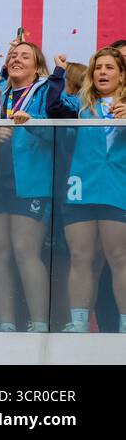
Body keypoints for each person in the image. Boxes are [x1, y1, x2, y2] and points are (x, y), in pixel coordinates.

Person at [44, 47, 126, 333]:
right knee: (81, 256)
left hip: (118, 187)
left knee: (119, 258)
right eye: (98, 68)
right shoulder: (81, 103)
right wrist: (58, 74)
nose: (102, 72)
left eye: (110, 67)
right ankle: (78, 322)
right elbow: (52, 107)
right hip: (82, 186)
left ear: (122, 75)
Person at [0, 38, 62, 333]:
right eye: (13, 55)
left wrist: (31, 121)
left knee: (24, 250)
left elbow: (60, 130)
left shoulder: (45, 91)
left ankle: (40, 324)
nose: (16, 59)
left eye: (25, 56)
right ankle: (5, 325)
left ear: (38, 66)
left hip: (30, 180)